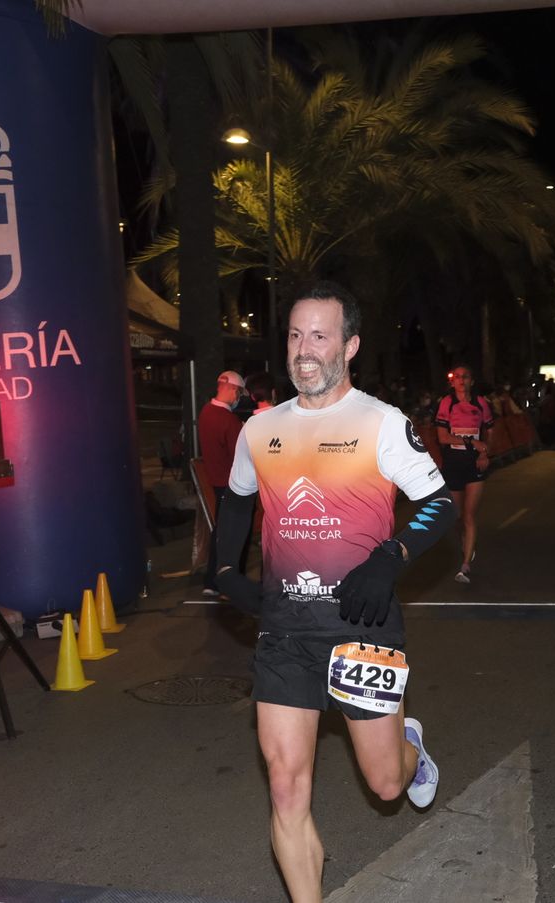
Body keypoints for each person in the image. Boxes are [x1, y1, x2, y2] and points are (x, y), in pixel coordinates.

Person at [211, 282, 456, 903]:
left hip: (361, 629)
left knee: (384, 787)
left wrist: (390, 556)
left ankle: (410, 746)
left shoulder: (380, 423)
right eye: (295, 335)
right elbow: (236, 500)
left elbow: (439, 504)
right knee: (287, 789)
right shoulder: (260, 430)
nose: (304, 350)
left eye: (319, 336)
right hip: (286, 632)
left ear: (349, 345)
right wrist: (222, 570)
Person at [435, 366, 494, 584]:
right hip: (453, 463)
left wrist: (485, 452)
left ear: (472, 381)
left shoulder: (481, 404)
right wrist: (471, 442)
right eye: (457, 377)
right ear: (452, 382)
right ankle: (467, 545)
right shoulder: (446, 403)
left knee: (469, 516)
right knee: (458, 516)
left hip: (474, 465)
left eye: (465, 377)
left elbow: (490, 432)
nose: (461, 380)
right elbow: (442, 438)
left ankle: (465, 564)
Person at [198, 370, 248, 595]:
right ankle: (226, 581)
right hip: (233, 484)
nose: (239, 398)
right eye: (238, 392)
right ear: (233, 390)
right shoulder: (229, 420)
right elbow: (241, 454)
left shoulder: (206, 413)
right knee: (233, 535)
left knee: (220, 531)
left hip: (216, 482)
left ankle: (212, 581)